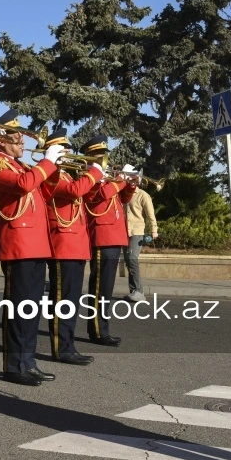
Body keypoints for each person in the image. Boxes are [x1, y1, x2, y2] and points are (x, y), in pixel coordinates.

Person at [0, 110, 65, 386]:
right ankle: (14, 365)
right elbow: (23, 186)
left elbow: (42, 192)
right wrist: (46, 163)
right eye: (15, 136)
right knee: (19, 310)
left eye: (21, 136)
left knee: (31, 309)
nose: (22, 140)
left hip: (35, 244)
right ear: (1, 140)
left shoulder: (19, 165)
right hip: (18, 244)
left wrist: (53, 169)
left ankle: (28, 361)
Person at [40, 129, 104, 366]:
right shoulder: (53, 175)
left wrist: (96, 180)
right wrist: (94, 173)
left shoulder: (68, 174)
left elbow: (86, 197)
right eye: (63, 149)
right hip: (62, 243)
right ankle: (60, 347)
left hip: (76, 243)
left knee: (72, 300)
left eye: (67, 149)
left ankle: (68, 345)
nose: (68, 153)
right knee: (62, 300)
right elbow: (74, 192)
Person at [83, 137, 135, 347]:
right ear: (89, 157)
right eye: (99, 155)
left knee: (107, 287)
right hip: (101, 237)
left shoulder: (108, 177)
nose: (104, 159)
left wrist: (130, 185)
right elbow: (100, 195)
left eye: (105, 155)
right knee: (99, 288)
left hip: (114, 236)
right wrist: (121, 179)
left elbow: (122, 199)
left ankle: (102, 328)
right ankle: (97, 331)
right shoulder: (89, 176)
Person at [122, 170, 157, 302]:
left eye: (133, 179)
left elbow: (150, 214)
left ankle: (138, 291)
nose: (131, 180)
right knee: (129, 262)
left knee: (132, 259)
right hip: (124, 231)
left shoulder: (143, 195)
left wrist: (154, 229)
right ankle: (134, 291)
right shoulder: (123, 193)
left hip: (137, 231)